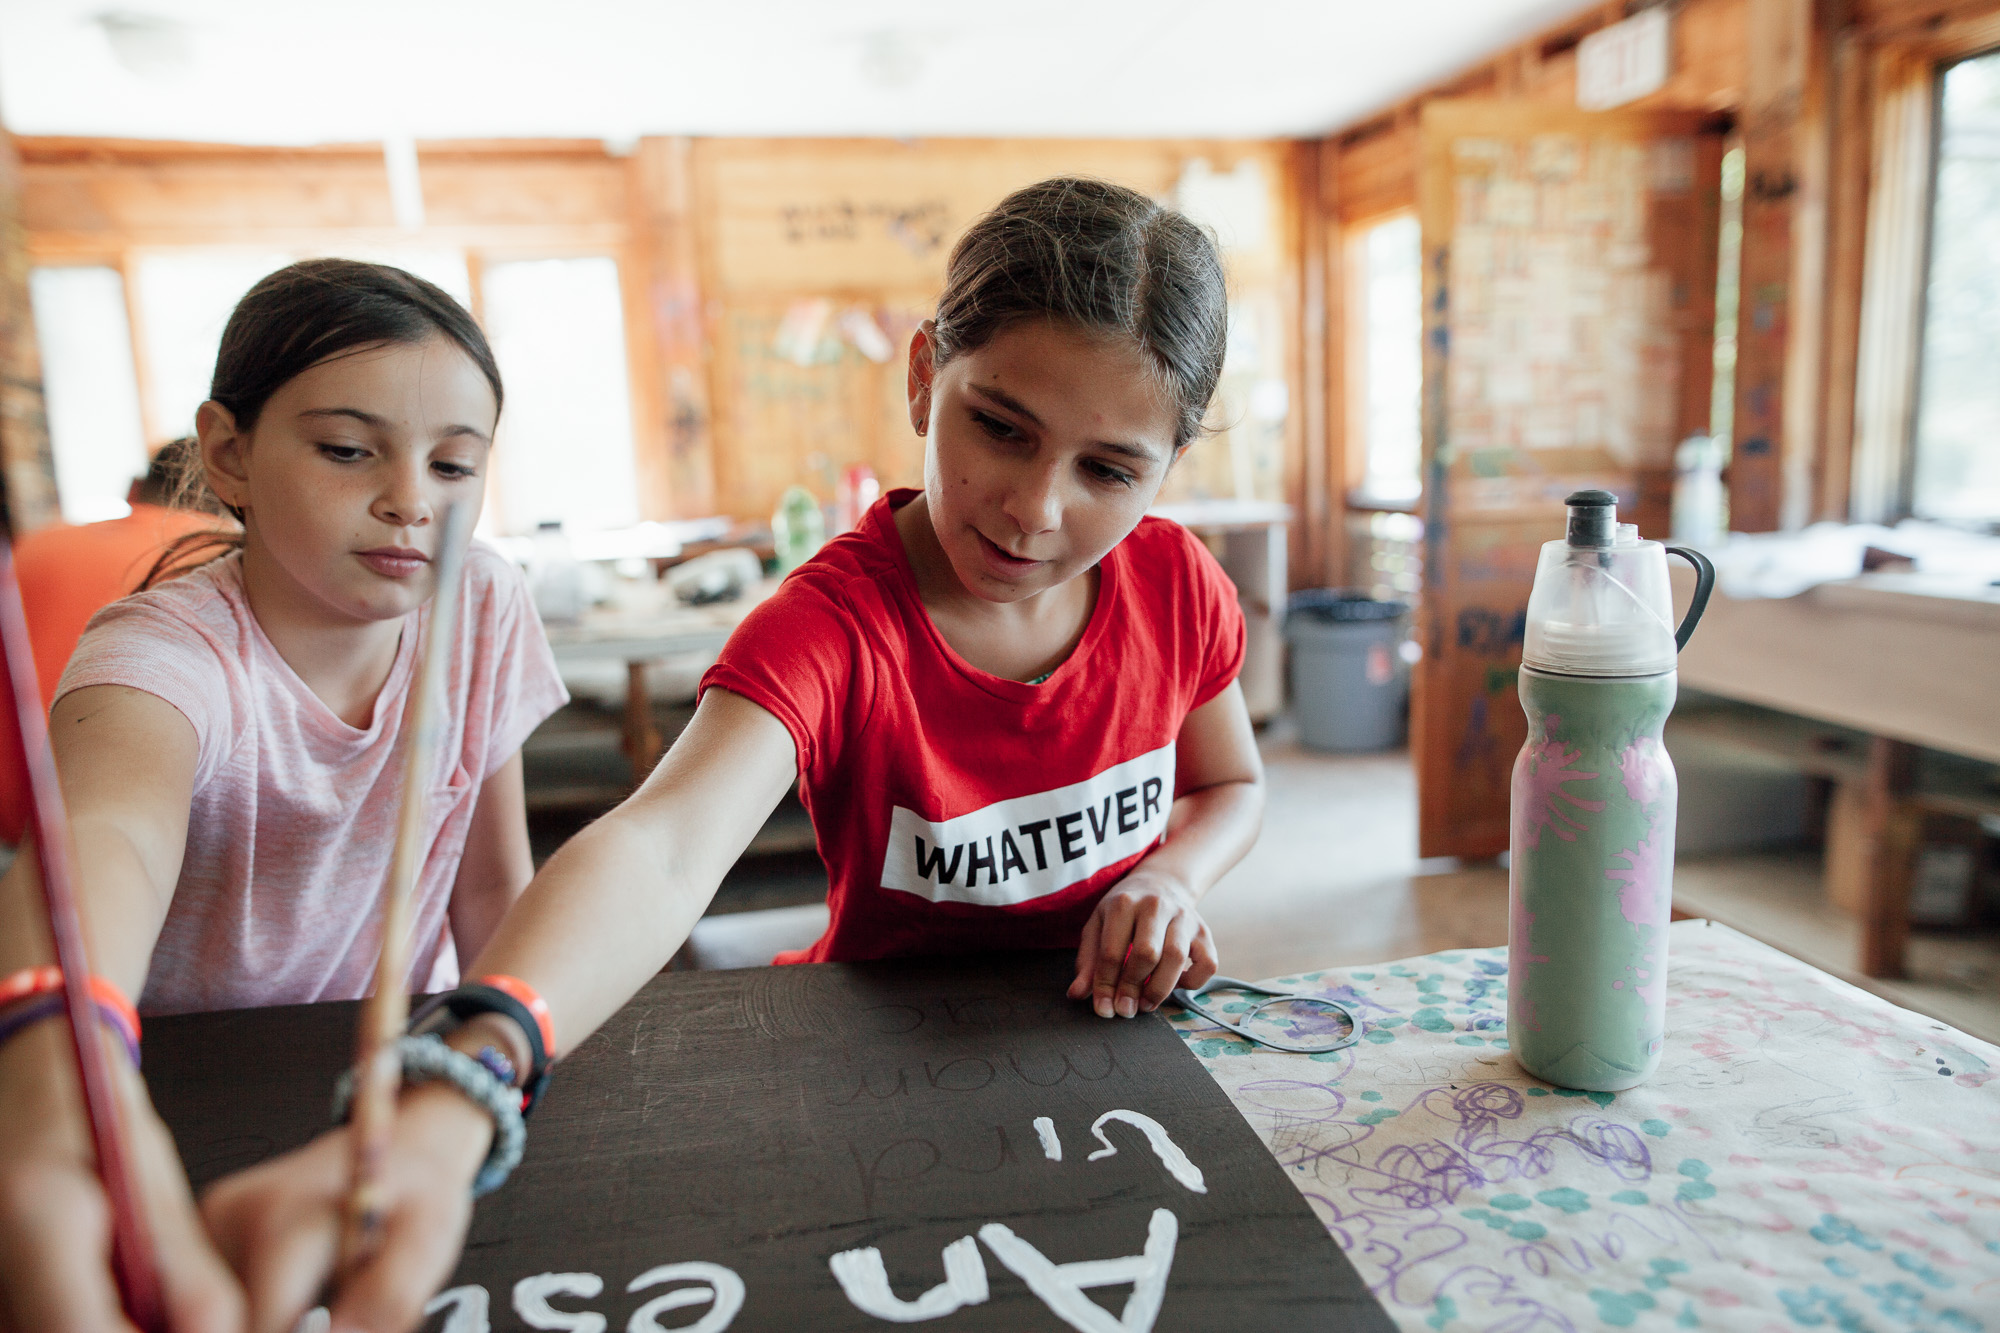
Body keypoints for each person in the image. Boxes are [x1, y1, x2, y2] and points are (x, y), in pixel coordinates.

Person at [204, 177, 1267, 1333]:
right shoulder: (830, 627)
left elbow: (1228, 785)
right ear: (923, 376)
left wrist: (1172, 873)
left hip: (1112, 1055)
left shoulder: (1176, 585)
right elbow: (662, 848)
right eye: (998, 428)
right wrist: (468, 1075)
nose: (1032, 507)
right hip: (884, 1075)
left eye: (1108, 469)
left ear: (1168, 468)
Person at [0, 258, 567, 1332]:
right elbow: (105, 832)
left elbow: (494, 892)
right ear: (229, 453)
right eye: (348, 450)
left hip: (395, 1087)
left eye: (454, 464)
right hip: (160, 1093)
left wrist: (480, 1086)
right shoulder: (166, 648)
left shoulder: (482, 601)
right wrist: (51, 1041)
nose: (410, 499)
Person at [0, 442, 223, 843]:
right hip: (108, 830)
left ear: (134, 489)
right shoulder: (218, 563)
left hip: (16, 818)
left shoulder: (37, 544)